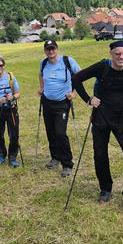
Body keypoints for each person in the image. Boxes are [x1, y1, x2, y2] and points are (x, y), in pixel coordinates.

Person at [72, 40, 123, 211]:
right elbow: (77, 79)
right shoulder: (102, 67)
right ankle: (105, 189)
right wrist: (88, 99)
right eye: (117, 54)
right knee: (100, 155)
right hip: (101, 117)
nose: (121, 57)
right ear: (111, 54)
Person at [38, 39, 81, 177]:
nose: (51, 51)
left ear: (57, 49)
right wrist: (42, 88)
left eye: (53, 48)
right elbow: (40, 75)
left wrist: (74, 93)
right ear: (45, 51)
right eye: (48, 49)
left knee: (60, 133)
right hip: (47, 102)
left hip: (62, 103)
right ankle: (55, 157)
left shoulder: (67, 61)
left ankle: (67, 163)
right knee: (50, 131)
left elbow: (81, 75)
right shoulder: (44, 63)